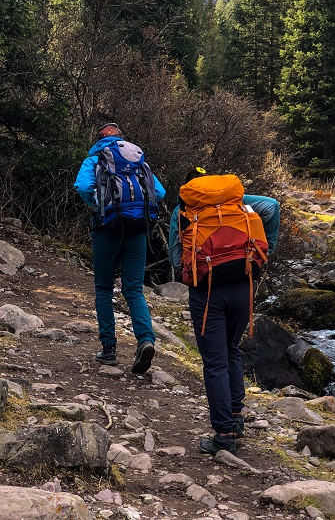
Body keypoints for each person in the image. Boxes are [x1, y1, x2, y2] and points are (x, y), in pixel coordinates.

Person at [169, 168, 280, 456]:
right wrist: (267, 252)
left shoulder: (185, 212)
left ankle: (224, 433)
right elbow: (273, 206)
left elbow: (175, 256)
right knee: (232, 350)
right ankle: (237, 417)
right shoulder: (242, 206)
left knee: (214, 362)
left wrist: (183, 270)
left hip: (208, 291)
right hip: (245, 283)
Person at [75, 122, 166, 374]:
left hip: (106, 229)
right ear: (122, 139)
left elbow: (83, 187)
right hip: (137, 230)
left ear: (99, 138)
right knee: (134, 289)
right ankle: (145, 340)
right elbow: (159, 192)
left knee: (103, 288)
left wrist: (98, 206)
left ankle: (109, 350)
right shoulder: (139, 161)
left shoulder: (94, 159)